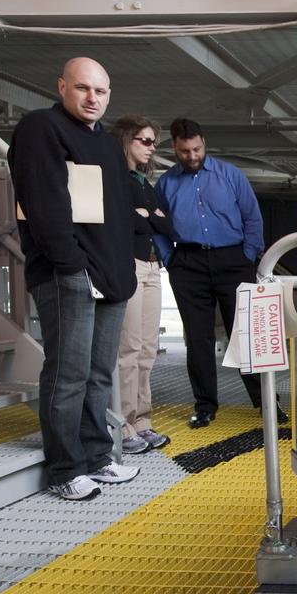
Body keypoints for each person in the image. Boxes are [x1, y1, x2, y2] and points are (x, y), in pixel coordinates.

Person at [8, 57, 141, 500]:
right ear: (62, 86)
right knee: (68, 373)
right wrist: (70, 264)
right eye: (83, 88)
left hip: (110, 273)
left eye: (100, 91)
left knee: (99, 374)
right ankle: (65, 468)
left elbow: (119, 213)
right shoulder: (41, 128)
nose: (92, 98)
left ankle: (98, 457)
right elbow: (44, 202)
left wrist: (122, 270)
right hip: (68, 273)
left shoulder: (108, 145)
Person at [155, 118, 265, 428]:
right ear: (174, 148)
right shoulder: (166, 183)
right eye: (184, 151)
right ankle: (204, 406)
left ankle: (265, 402)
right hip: (187, 263)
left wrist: (247, 256)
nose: (192, 156)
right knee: (197, 338)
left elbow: (252, 218)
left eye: (196, 149)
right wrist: (170, 258)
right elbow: (157, 226)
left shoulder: (231, 175)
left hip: (233, 260)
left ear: (204, 142)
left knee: (245, 334)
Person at [111, 115, 175, 454]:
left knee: (148, 350)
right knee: (130, 349)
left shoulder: (145, 184)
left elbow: (168, 225)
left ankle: (142, 422)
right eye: (145, 141)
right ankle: (123, 426)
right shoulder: (114, 178)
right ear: (126, 140)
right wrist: (150, 217)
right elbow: (125, 221)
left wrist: (147, 216)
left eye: (154, 142)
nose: (151, 148)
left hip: (153, 267)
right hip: (130, 265)